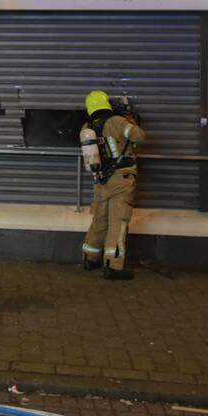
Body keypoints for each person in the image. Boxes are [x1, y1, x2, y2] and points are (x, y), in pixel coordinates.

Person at [80, 90, 146, 280]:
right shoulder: (117, 121)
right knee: (118, 221)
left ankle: (90, 258)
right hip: (121, 179)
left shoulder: (87, 127)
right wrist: (129, 119)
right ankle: (113, 266)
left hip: (100, 180)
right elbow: (139, 136)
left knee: (99, 220)